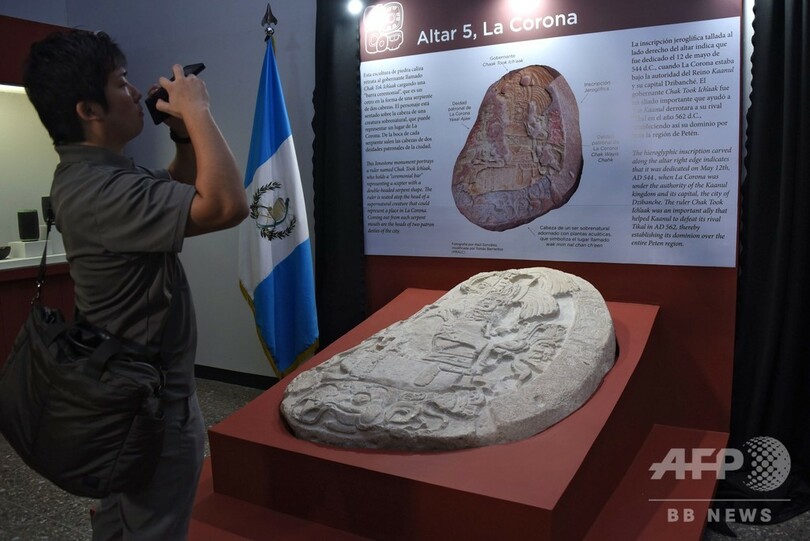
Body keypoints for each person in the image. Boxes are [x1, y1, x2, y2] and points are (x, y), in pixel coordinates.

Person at [23, 29, 248, 540]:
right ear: (89, 110)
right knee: (150, 526)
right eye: (121, 82)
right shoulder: (102, 190)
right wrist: (198, 111)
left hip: (138, 394)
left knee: (129, 518)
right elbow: (226, 205)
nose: (133, 92)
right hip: (148, 406)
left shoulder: (98, 177)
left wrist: (183, 135)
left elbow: (179, 186)